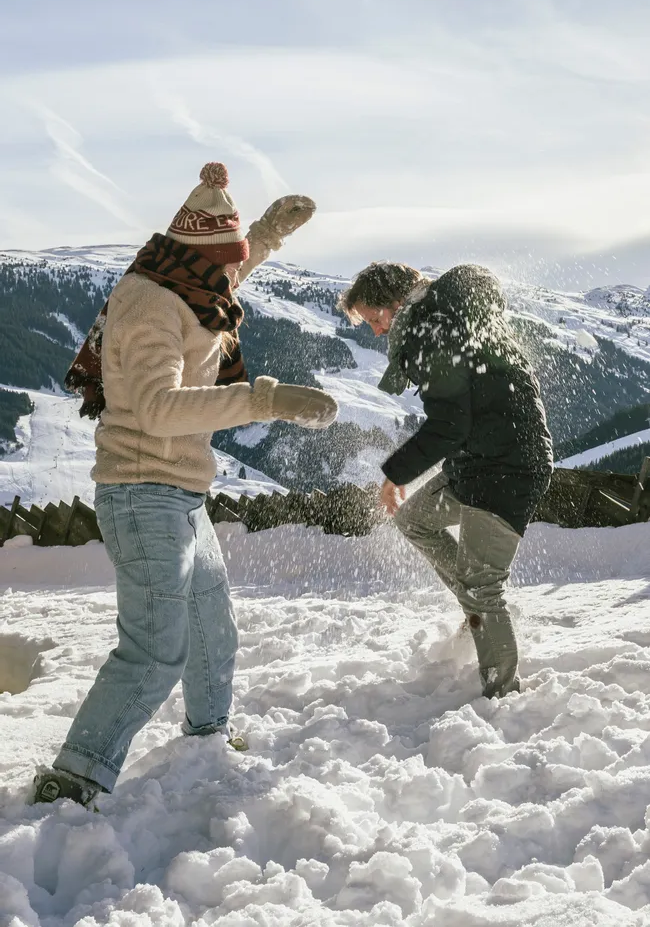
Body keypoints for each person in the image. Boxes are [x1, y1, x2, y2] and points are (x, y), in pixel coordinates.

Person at [32, 162, 337, 808]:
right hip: (142, 491)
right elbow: (157, 410)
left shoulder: (188, 283)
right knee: (155, 649)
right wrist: (266, 401)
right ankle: (74, 780)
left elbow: (223, 280)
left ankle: (205, 740)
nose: (234, 270)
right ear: (193, 257)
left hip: (178, 493)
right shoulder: (151, 305)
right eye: (227, 258)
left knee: (212, 630)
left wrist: (266, 236)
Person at [338, 261, 553, 700]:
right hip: (478, 463)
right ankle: (477, 607)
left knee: (482, 587)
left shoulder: (428, 329)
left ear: (396, 304)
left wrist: (394, 474)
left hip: (505, 469)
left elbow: (449, 426)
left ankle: (503, 697)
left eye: (377, 320)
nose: (377, 333)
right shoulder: (441, 317)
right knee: (415, 520)